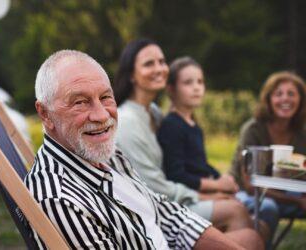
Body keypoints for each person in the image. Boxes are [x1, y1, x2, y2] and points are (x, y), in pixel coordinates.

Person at [24, 49, 262, 249]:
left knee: (250, 238)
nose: (101, 115)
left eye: (106, 97)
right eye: (79, 102)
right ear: (45, 114)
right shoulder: (60, 199)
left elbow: (163, 212)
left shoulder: (105, 153)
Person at [113, 39, 262, 244]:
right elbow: (152, 187)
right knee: (235, 211)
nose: (159, 68)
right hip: (154, 211)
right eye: (149, 64)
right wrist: (203, 196)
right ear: (131, 74)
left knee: (253, 225)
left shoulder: (154, 113)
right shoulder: (128, 121)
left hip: (171, 199)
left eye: (162, 61)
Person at [157, 56, 278, 245]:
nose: (197, 87)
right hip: (188, 198)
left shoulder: (193, 125)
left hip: (203, 189)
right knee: (241, 211)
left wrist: (222, 178)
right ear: (171, 89)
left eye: (200, 82)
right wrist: (218, 187)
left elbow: (199, 164)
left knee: (262, 223)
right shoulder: (172, 125)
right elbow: (177, 174)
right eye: (188, 82)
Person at [231, 71, 306, 226]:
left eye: (291, 94)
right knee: (268, 207)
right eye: (278, 94)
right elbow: (250, 186)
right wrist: (297, 201)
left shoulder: (301, 133)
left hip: (289, 192)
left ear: (300, 100)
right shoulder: (253, 129)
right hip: (245, 192)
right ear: (269, 99)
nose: (285, 98)